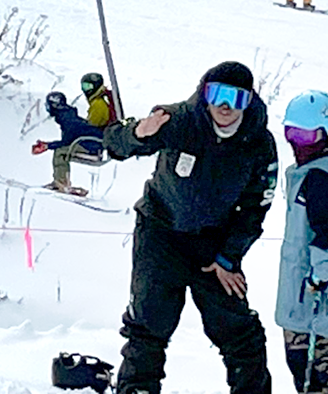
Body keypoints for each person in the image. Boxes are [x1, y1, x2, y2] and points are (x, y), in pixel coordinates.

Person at [104, 61, 278, 394]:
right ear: (204, 93)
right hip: (161, 233)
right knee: (149, 323)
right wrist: (138, 133)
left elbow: (257, 207)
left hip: (214, 246)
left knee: (237, 328)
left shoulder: (258, 143)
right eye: (218, 95)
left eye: (236, 98)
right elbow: (115, 144)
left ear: (249, 101)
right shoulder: (179, 120)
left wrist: (229, 257)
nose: (226, 106)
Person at [275, 91, 328, 394]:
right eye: (292, 133)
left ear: (327, 135)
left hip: (312, 301)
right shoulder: (311, 176)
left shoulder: (319, 181)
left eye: (306, 135)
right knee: (326, 361)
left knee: (310, 365)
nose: (298, 144)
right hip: (308, 298)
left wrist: (317, 281)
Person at [31, 91, 104, 195]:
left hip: (90, 146)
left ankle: (61, 183)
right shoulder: (66, 115)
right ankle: (61, 182)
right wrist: (48, 145)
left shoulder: (67, 120)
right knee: (62, 150)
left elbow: (67, 142)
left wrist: (48, 146)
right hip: (90, 143)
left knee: (60, 152)